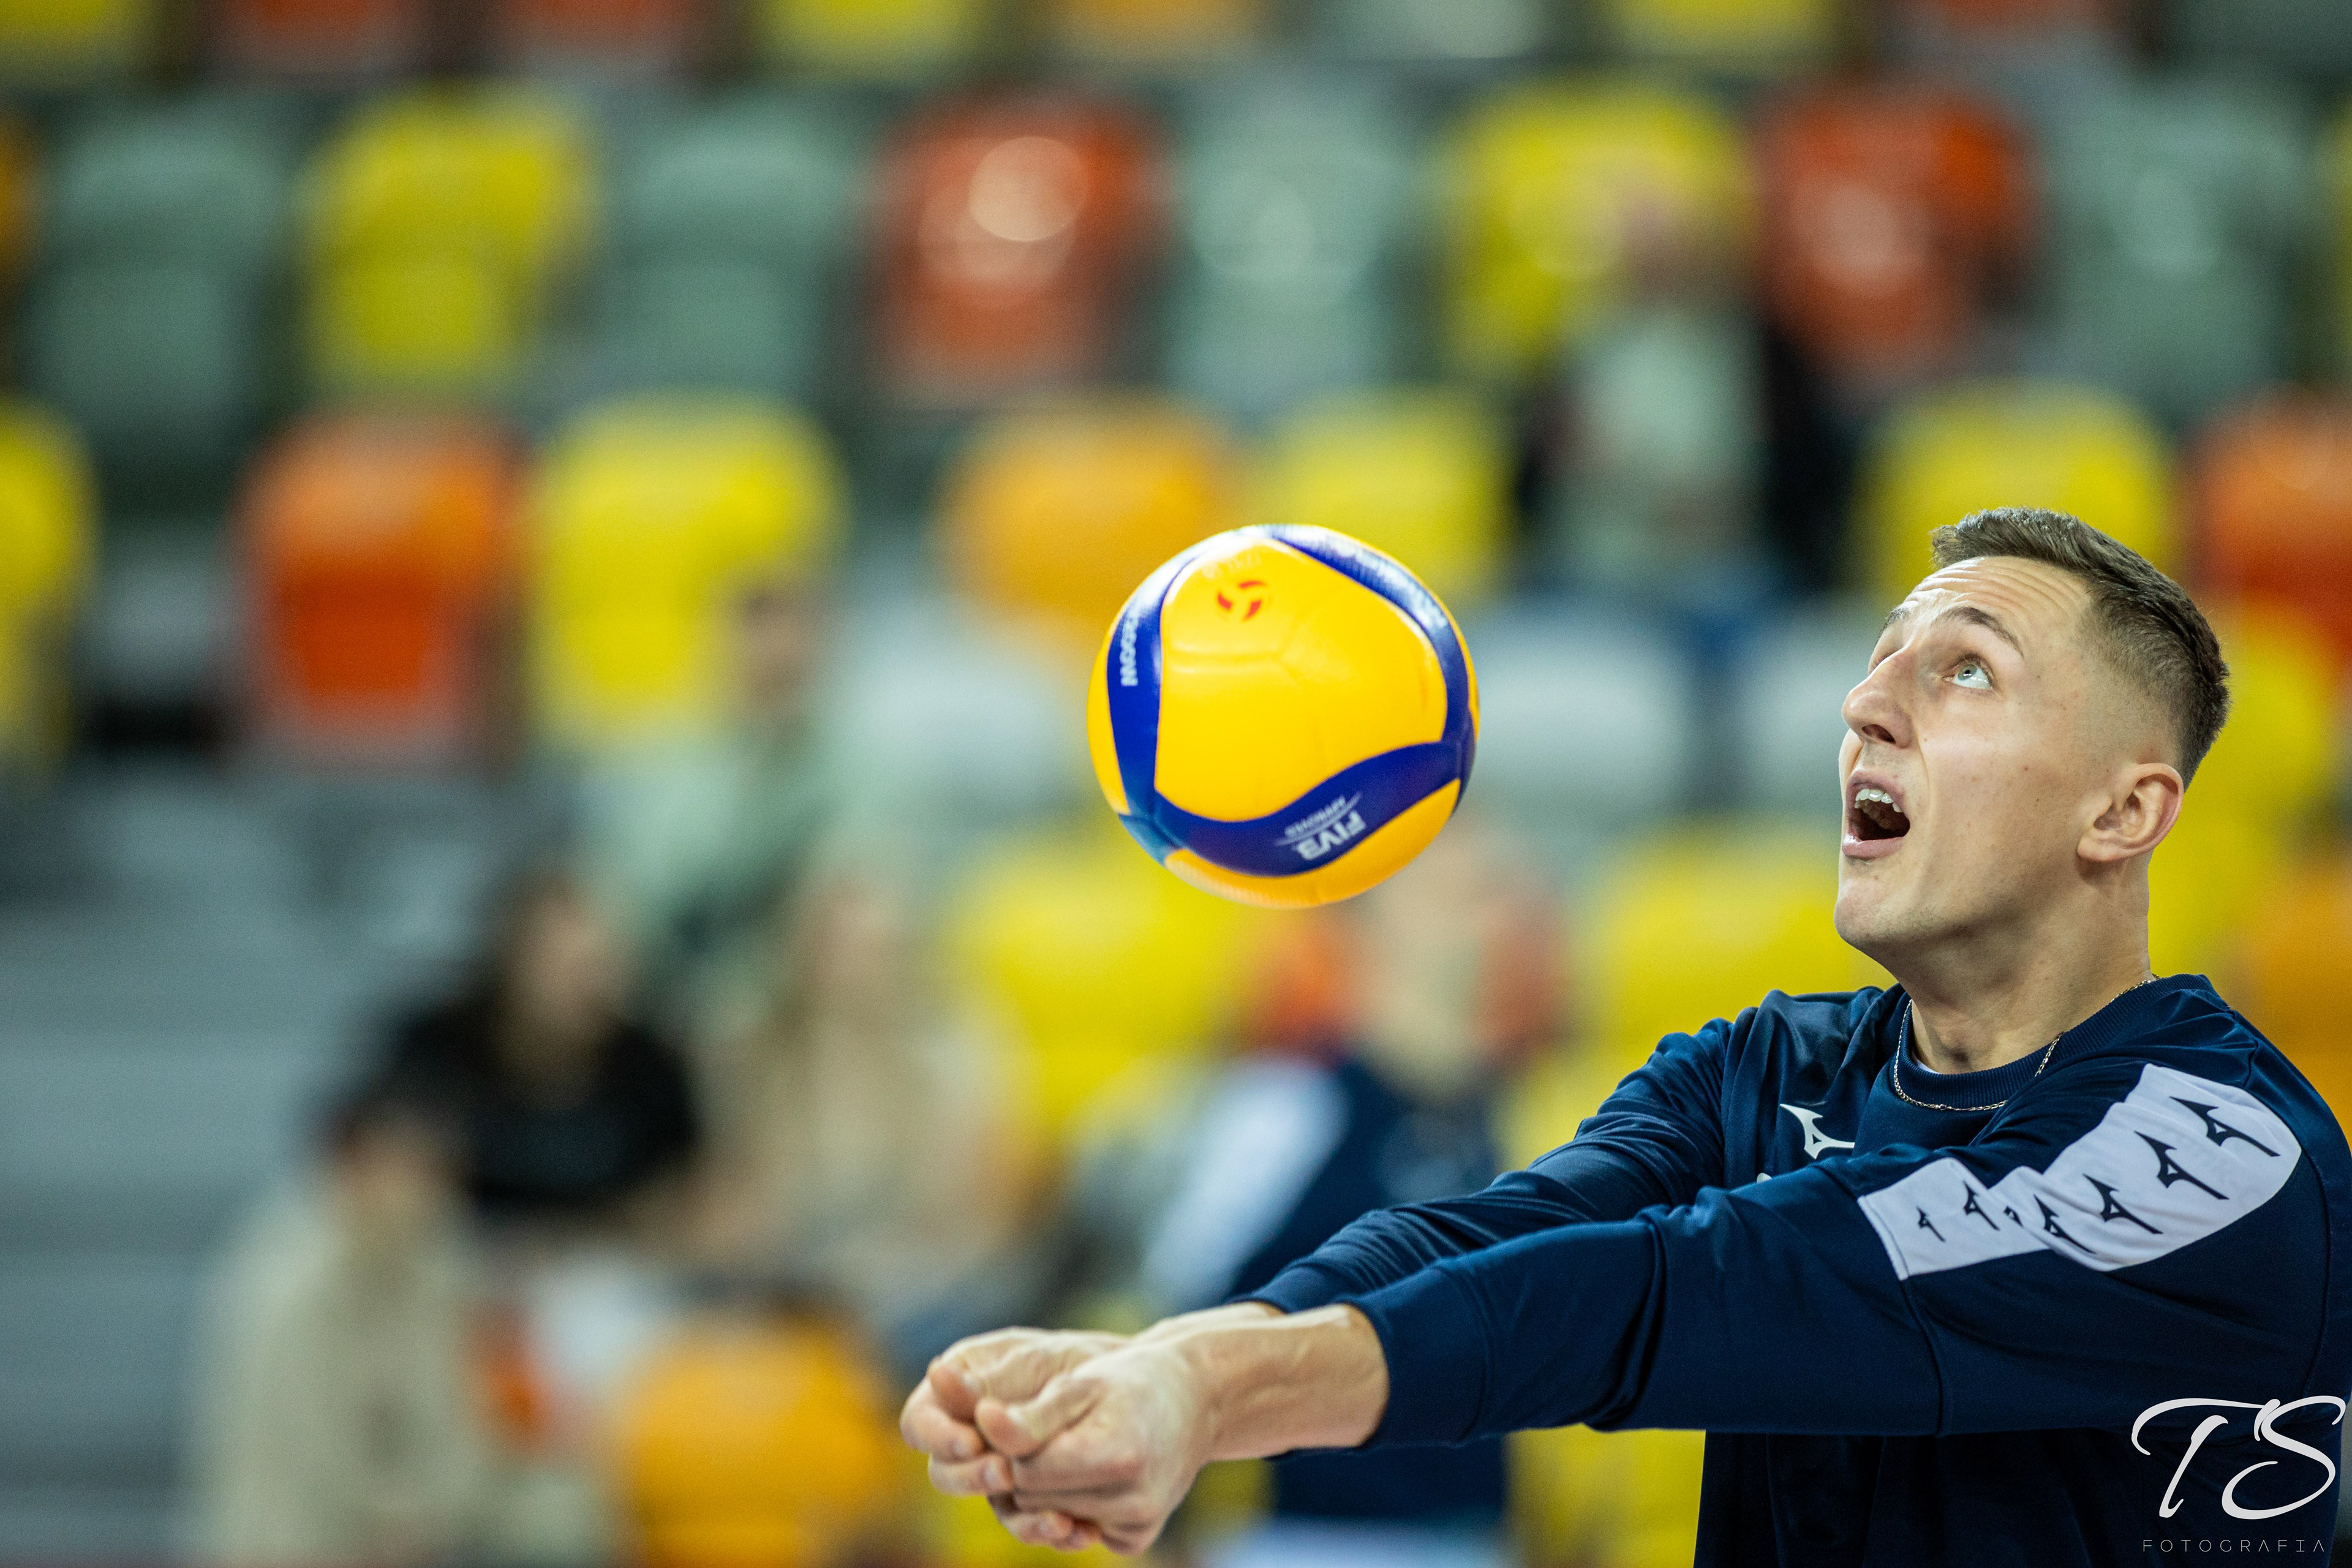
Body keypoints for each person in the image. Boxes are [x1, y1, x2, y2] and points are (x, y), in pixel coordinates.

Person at [901, 508, 2352, 1565]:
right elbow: (1492, 1233)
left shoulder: (2220, 1155)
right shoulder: (1768, 1070)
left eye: (1964, 669)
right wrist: (1161, 1360)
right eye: (1877, 663)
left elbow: (1681, 1289)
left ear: (2123, 810)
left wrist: (1212, 1391)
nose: (1862, 705)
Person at [188, 1080, 491, 1566]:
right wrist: (392, 1519)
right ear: (350, 1170)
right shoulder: (288, 1279)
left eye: (434, 1176)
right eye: (403, 1173)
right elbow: (305, 1452)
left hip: (405, 1536)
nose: (423, 1197)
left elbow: (458, 1420)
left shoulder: (437, 1266)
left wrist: (428, 1513)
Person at [380, 863, 702, 1234]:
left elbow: (695, 1196)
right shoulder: (439, 1048)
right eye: (560, 967)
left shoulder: (651, 1069)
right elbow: (385, 1169)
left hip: (612, 1257)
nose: (584, 987)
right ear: (511, 961)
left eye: (599, 968)